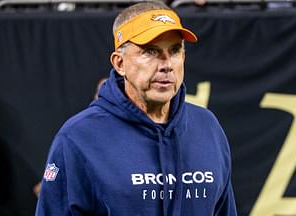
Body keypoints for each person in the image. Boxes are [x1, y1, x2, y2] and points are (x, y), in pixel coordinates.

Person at [35, 1, 237, 215]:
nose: (167, 64)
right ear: (119, 63)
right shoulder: (78, 137)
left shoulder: (207, 126)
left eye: (175, 50)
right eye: (150, 51)